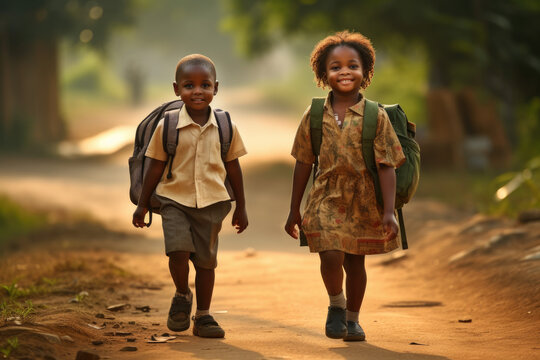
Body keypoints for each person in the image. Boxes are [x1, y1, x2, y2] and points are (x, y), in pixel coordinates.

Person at [284, 31, 405, 341]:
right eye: (335, 67)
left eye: (352, 65)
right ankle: (337, 304)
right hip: (325, 194)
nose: (344, 72)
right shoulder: (313, 115)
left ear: (365, 71)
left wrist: (389, 212)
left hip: (364, 199)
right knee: (330, 253)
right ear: (324, 74)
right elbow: (302, 163)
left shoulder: (375, 116)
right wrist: (293, 209)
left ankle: (353, 320)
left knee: (355, 262)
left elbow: (386, 166)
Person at [132, 54, 248, 338]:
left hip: (212, 203)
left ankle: (204, 316)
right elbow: (155, 166)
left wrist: (241, 207)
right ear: (176, 89)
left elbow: (233, 167)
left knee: (207, 263)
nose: (197, 91)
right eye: (189, 85)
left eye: (205, 85)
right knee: (178, 251)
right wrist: (142, 204)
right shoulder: (167, 126)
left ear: (215, 88)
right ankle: (183, 294)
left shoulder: (225, 126)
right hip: (173, 200)